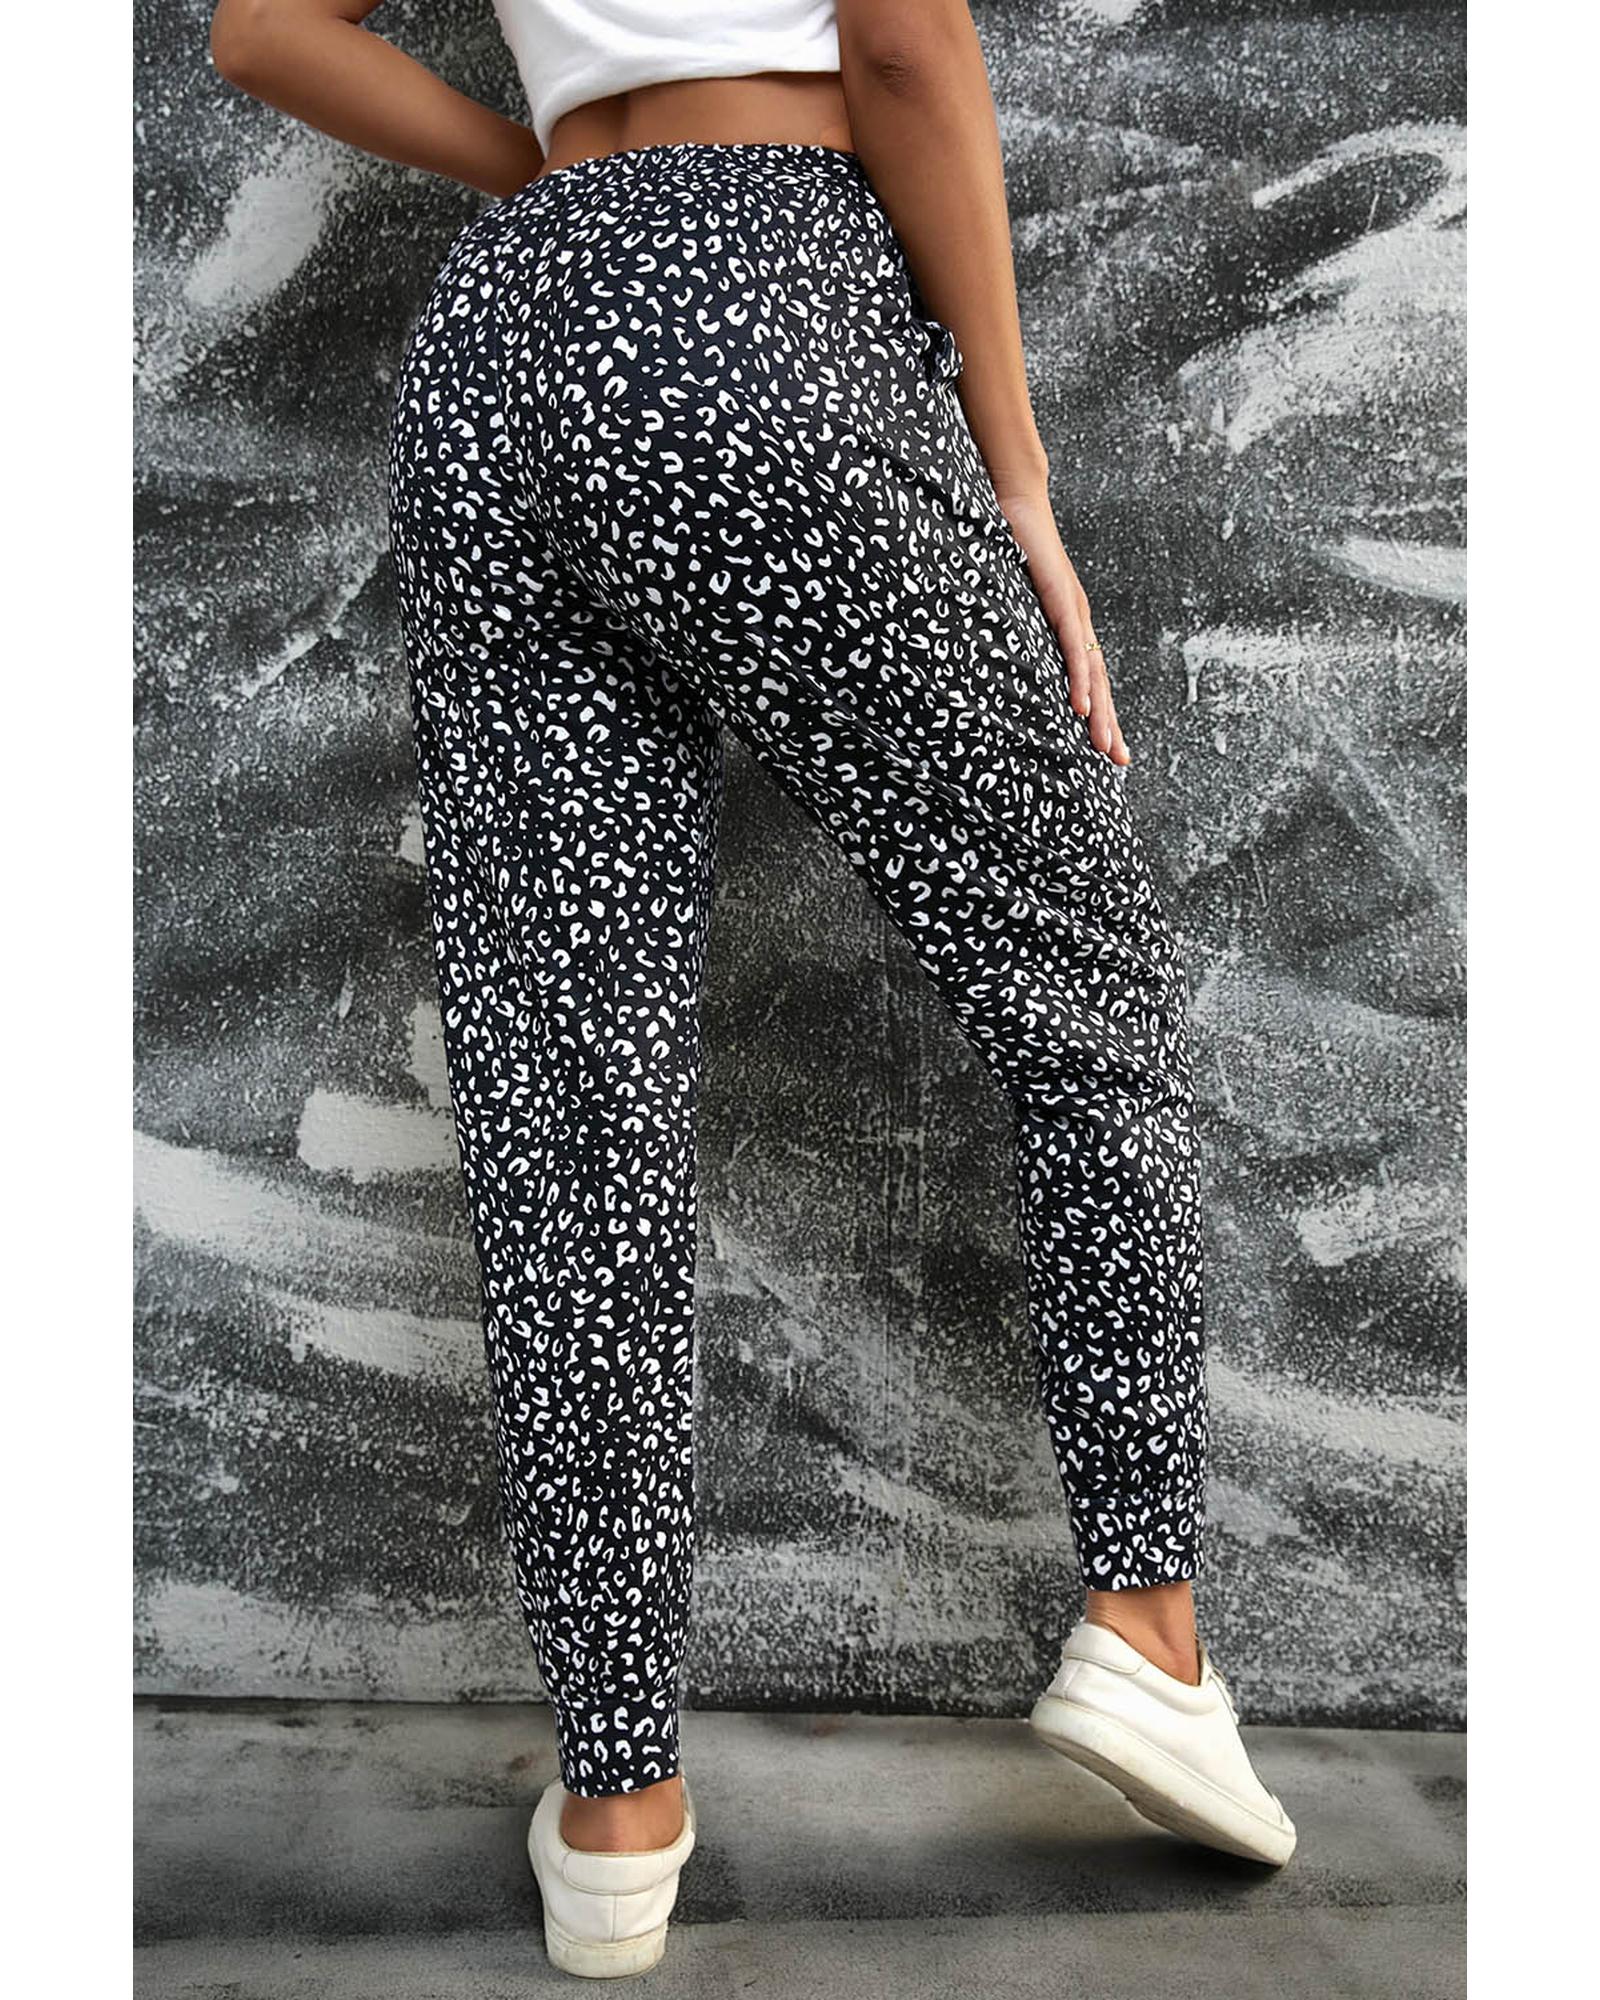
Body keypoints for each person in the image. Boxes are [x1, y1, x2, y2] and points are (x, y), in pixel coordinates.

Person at [210, 0, 1297, 1975]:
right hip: (759, 292)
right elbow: (904, 49)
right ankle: (1147, 1625)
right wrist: (1015, 476)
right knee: (1085, 998)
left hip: (506, 340)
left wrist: (539, 180)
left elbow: (264, 31)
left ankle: (616, 1810)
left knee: (566, 1101)